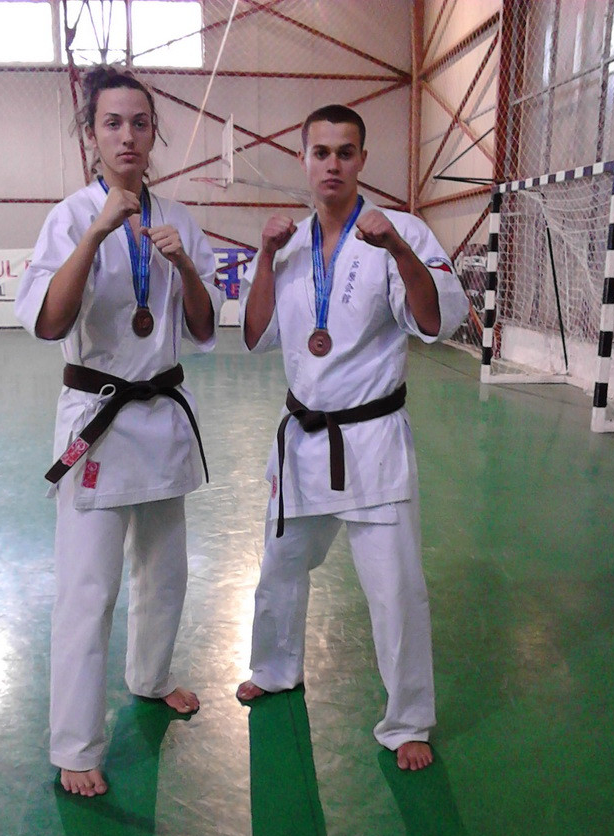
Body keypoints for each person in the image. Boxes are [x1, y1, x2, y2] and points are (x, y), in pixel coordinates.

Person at [235, 105, 469, 770]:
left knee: (395, 588)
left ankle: (408, 720)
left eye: (345, 152)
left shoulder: (401, 231)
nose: (332, 164)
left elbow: (435, 323)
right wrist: (263, 256)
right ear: (304, 160)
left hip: (371, 442)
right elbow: (254, 335)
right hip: (303, 441)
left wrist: (397, 249)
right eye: (321, 152)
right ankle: (274, 669)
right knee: (280, 568)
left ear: (363, 159)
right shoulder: (288, 244)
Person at [15, 66, 223, 796]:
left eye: (139, 122)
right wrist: (98, 232)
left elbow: (204, 326)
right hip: (98, 421)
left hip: (161, 415)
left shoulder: (180, 220)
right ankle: (75, 744)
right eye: (113, 123)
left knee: (165, 571)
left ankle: (152, 676)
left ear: (153, 132)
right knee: (88, 586)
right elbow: (49, 322)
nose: (128, 135)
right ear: (92, 134)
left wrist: (183, 264)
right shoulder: (70, 217)